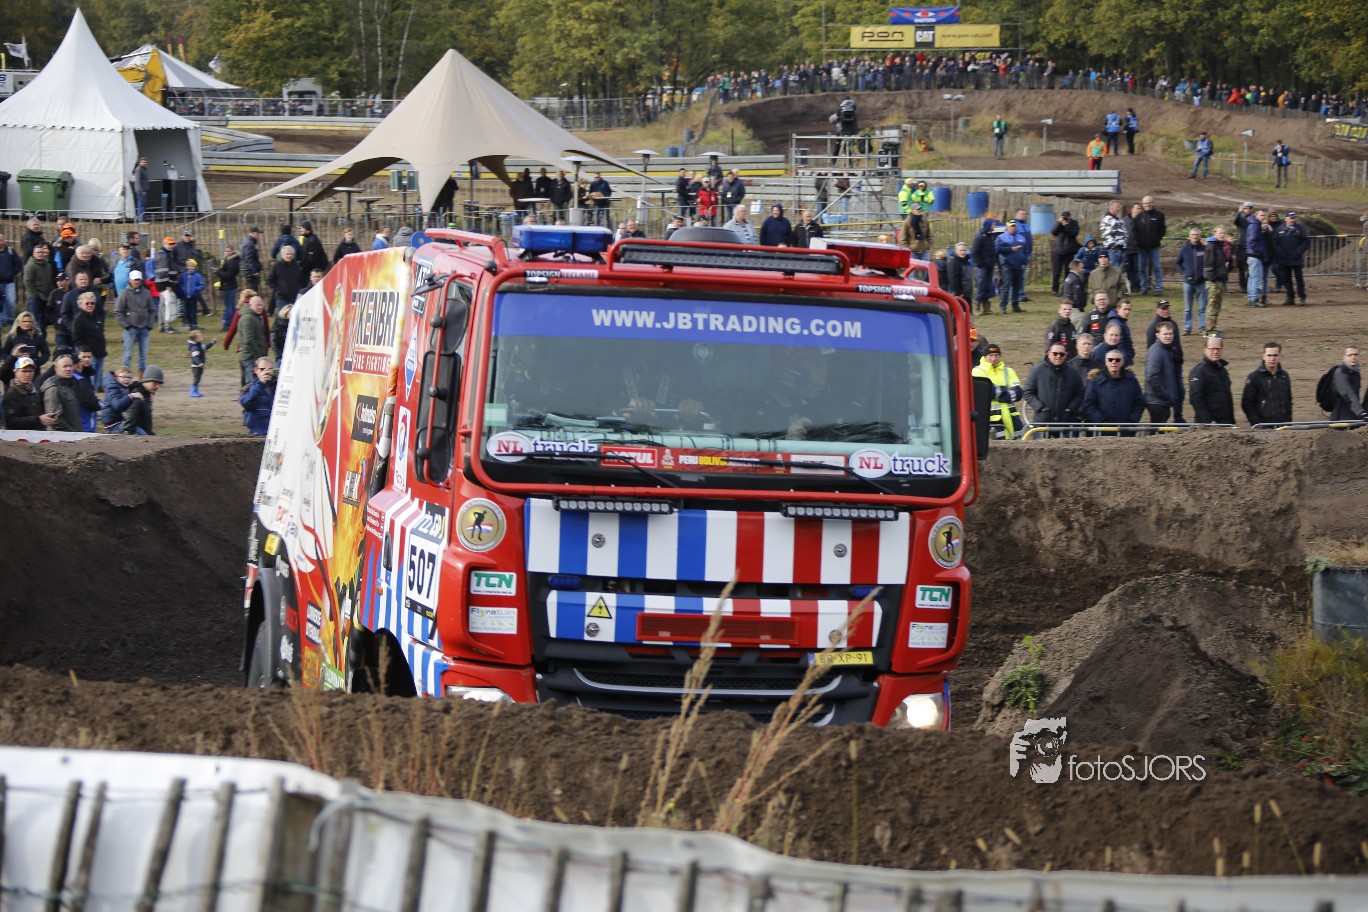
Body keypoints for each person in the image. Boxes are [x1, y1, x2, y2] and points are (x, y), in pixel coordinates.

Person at [1083, 346, 1144, 430]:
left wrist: (1132, 421)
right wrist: (1101, 421)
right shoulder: (1096, 381)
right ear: (1106, 362)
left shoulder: (1132, 381)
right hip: (1101, 431)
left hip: (1126, 431)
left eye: (1117, 360)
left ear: (1122, 362)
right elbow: (1089, 403)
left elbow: (1139, 403)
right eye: (1110, 360)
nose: (1114, 362)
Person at [972, 343, 1025, 438]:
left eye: (996, 355)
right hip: (991, 420)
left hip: (1012, 419)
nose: (994, 358)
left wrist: (997, 392)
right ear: (985, 356)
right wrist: (1006, 393)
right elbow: (987, 391)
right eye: (990, 355)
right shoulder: (977, 371)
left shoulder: (1008, 371)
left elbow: (1019, 392)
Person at [1023, 344, 1084, 425]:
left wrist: (1070, 409)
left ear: (1065, 355)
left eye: (1061, 354)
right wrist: (1040, 407)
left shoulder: (1073, 373)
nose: (1058, 356)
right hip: (1042, 423)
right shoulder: (1037, 370)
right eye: (1055, 353)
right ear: (1048, 354)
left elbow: (1080, 394)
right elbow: (1027, 392)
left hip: (1066, 423)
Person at [115, 270, 155, 375]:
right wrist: (126, 326)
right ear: (130, 280)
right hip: (130, 329)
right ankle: (126, 376)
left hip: (144, 328)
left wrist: (149, 325)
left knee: (143, 355)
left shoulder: (146, 293)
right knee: (127, 355)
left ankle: (142, 376)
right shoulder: (124, 293)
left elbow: (152, 310)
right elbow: (118, 311)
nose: (136, 282)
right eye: (135, 280)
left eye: (138, 280)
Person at [1242, 341, 1292, 426]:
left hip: (1283, 426)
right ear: (1263, 356)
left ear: (1280, 356)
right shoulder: (1254, 377)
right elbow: (1246, 404)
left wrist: (1288, 422)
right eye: (1269, 355)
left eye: (1275, 355)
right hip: (1264, 426)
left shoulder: (1284, 376)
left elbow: (1288, 401)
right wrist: (1256, 424)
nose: (1272, 358)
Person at [1144, 320, 1185, 424]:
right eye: (1165, 334)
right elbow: (1152, 377)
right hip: (1157, 401)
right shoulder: (1156, 351)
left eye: (1170, 334)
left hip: (1161, 401)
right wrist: (1166, 396)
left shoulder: (1167, 350)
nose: (1168, 336)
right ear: (1157, 335)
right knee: (1157, 429)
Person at [1188, 334, 1234, 424]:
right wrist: (1209, 422)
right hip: (1209, 425)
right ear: (1205, 350)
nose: (1215, 352)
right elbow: (1195, 399)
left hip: (1226, 423)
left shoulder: (1222, 370)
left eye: (1218, 349)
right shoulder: (1199, 371)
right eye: (1212, 349)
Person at [3, 357, 57, 430]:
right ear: (15, 372)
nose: (28, 374)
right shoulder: (11, 395)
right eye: (24, 371)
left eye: (31, 371)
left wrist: (46, 417)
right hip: (21, 436)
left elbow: (35, 413)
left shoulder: (33, 390)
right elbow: (10, 422)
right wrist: (38, 419)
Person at [1271, 211, 1310, 307]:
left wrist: (1298, 252)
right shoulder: (1279, 229)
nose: (1292, 220)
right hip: (1284, 259)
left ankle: (1302, 297)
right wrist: (1281, 253)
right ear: (1286, 219)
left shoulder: (1300, 228)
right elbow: (1275, 243)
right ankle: (1290, 297)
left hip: (1296, 258)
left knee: (1299, 278)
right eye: (1291, 218)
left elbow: (1305, 241)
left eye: (1294, 218)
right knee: (1286, 279)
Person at [1175, 228, 1208, 335]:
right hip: (1188, 283)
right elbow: (1177, 263)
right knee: (1188, 308)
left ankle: (1202, 327)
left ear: (1199, 236)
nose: (1195, 236)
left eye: (1197, 234)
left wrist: (1206, 275)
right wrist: (1184, 272)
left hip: (1201, 282)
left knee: (1202, 307)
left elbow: (1208, 263)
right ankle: (1187, 328)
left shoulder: (1204, 249)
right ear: (1189, 236)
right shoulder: (1184, 249)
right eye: (1193, 234)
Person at [1131, 196, 1167, 295]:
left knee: (1156, 267)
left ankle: (1158, 288)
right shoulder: (1139, 217)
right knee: (1142, 268)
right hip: (1142, 247)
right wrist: (1138, 241)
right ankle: (1144, 287)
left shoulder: (1159, 215)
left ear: (1152, 203)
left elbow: (1162, 229)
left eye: (1149, 202)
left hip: (1154, 247)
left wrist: (1157, 238)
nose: (1147, 204)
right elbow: (1135, 230)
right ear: (1143, 204)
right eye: (1145, 203)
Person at [22, 242, 58, 338]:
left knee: (43, 321)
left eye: (42, 252)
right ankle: (29, 338)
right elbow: (27, 282)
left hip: (45, 297)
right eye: (38, 252)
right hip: (35, 298)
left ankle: (42, 339)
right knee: (32, 319)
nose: (40, 254)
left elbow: (49, 280)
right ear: (34, 254)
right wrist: (34, 295)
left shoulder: (48, 266)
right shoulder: (30, 266)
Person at [70, 292, 106, 386]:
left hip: (100, 354)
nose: (90, 305)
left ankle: (94, 393)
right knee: (90, 381)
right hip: (89, 357)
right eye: (87, 303)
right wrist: (86, 353)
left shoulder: (96, 317)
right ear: (81, 305)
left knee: (97, 382)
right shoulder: (78, 320)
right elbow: (76, 338)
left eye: (92, 303)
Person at [40, 352, 81, 432]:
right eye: (65, 366)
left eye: (70, 366)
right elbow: (54, 419)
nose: (68, 369)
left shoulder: (70, 384)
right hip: (61, 436)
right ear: (56, 369)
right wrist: (73, 433)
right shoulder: (52, 388)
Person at [995, 219, 1029, 314]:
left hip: (1019, 266)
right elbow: (998, 249)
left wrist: (1024, 262)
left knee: (1017, 286)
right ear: (1007, 227)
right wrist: (1010, 249)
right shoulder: (1001, 237)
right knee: (1006, 286)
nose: (1013, 228)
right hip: (1007, 265)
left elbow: (1026, 251)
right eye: (1011, 226)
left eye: (1014, 226)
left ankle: (1015, 305)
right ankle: (1003, 306)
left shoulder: (1021, 237)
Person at [1326, 346, 1367, 421]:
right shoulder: (1341, 373)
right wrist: (1361, 413)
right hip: (1340, 419)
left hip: (1353, 416)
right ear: (1344, 357)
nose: (1353, 357)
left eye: (1356, 355)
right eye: (1350, 355)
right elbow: (1348, 395)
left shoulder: (1355, 372)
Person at [121, 364, 163, 435]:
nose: (157, 387)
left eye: (159, 384)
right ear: (146, 381)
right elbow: (129, 421)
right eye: (155, 383)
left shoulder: (147, 395)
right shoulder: (138, 396)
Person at [238, 295, 270, 387]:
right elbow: (248, 340)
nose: (260, 307)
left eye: (261, 305)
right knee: (252, 383)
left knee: (250, 383)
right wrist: (259, 355)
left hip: (253, 355)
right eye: (257, 305)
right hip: (251, 356)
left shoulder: (256, 317)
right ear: (250, 305)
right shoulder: (248, 318)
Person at [970, 218, 999, 317]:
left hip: (989, 265)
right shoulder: (980, 237)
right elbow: (974, 252)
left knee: (988, 285)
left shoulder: (990, 236)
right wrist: (980, 263)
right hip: (982, 266)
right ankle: (977, 306)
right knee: (981, 285)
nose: (994, 226)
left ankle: (986, 307)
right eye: (993, 224)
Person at [240, 358, 276, 436]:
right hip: (258, 433)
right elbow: (246, 403)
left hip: (276, 432)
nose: (266, 372)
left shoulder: (279, 387)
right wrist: (261, 383)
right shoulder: (249, 388)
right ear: (256, 370)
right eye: (262, 369)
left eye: (270, 369)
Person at [153, 236, 181, 334]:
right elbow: (162, 272)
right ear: (164, 244)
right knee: (167, 305)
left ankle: (161, 326)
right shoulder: (163, 255)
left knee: (162, 305)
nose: (172, 246)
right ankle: (167, 326)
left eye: (173, 244)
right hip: (165, 284)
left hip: (163, 283)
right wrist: (167, 285)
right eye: (170, 244)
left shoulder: (165, 254)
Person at [1049, 211, 1080, 295]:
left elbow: (1073, 234)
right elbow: (1053, 232)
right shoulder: (1058, 223)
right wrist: (1059, 223)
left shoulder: (1074, 223)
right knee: (1056, 272)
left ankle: (1066, 288)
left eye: (1067, 217)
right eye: (1064, 217)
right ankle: (1055, 289)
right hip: (1058, 251)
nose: (1065, 219)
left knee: (1068, 271)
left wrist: (1066, 225)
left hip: (1069, 251)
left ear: (1070, 217)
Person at [268, 247, 305, 316]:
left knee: (294, 316)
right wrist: (277, 289)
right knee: (284, 316)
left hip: (295, 297)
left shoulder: (297, 267)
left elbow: (301, 280)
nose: (289, 256)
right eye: (287, 254)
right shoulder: (277, 266)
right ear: (282, 255)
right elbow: (270, 279)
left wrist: (299, 289)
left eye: (291, 254)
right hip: (282, 297)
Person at [1245, 208, 1270, 306]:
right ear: (1256, 216)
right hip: (1255, 255)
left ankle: (1252, 298)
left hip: (1252, 254)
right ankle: (1254, 298)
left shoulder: (1254, 225)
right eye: (1261, 215)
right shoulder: (1255, 225)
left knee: (1252, 277)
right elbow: (1252, 241)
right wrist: (1260, 252)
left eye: (1264, 215)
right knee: (1255, 277)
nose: (1263, 217)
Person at [0, 233, 23, 331]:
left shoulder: (11, 251)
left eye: (1, 239)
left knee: (11, 303)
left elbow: (18, 264)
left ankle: (10, 323)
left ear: (4, 240)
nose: (0, 241)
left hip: (9, 282)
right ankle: (1, 323)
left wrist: (12, 273)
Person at [186, 329, 215, 398]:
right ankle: (193, 391)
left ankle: (195, 390)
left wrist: (212, 342)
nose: (202, 337)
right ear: (196, 339)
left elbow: (206, 346)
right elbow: (195, 358)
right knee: (197, 379)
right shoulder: (195, 348)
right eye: (200, 336)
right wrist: (200, 364)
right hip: (196, 366)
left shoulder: (200, 345)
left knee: (198, 378)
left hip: (199, 366)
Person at [178, 259, 206, 331]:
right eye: (189, 266)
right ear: (187, 267)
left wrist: (196, 289)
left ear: (195, 267)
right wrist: (181, 290)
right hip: (185, 296)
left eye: (192, 266)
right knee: (186, 311)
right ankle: (189, 324)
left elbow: (202, 285)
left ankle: (194, 324)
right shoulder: (183, 275)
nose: (190, 268)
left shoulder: (197, 276)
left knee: (193, 311)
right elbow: (180, 283)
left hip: (193, 296)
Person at [1232, 202, 1253, 293]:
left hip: (1249, 246)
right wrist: (1239, 212)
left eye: (1248, 208)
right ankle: (1242, 285)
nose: (1247, 210)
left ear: (1251, 209)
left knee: (1249, 267)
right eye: (1245, 208)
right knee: (1240, 267)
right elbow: (1234, 222)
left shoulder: (1252, 218)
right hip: (1240, 245)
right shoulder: (1240, 217)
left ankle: (1248, 284)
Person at [241, 227, 264, 292]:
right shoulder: (250, 244)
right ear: (252, 233)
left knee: (251, 291)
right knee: (252, 292)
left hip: (249, 271)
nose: (259, 235)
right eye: (257, 233)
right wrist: (254, 271)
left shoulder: (249, 242)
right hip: (251, 273)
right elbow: (249, 259)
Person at [131, 157, 150, 221]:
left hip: (144, 190)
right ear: (140, 162)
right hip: (141, 190)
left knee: (144, 204)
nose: (145, 163)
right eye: (143, 162)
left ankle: (143, 219)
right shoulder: (139, 169)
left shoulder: (144, 169)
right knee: (141, 205)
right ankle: (141, 220)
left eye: (145, 162)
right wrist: (141, 190)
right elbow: (138, 181)